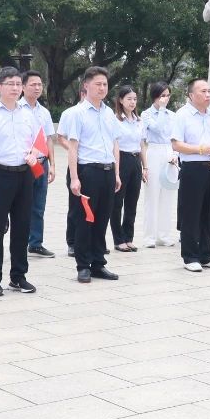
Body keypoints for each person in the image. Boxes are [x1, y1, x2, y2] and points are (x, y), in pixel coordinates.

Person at [0, 67, 43, 295]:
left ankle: (18, 276)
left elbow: (37, 143)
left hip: (24, 174)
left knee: (22, 227)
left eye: (18, 84)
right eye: (10, 84)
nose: (15, 88)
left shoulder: (28, 114)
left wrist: (34, 154)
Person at [64, 67, 122, 283]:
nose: (102, 88)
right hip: (88, 171)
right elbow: (72, 147)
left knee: (102, 219)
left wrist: (117, 173)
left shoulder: (109, 113)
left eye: (105, 84)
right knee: (84, 220)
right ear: (86, 85)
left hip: (108, 171)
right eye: (98, 84)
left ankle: (98, 263)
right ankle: (83, 265)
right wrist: (74, 178)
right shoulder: (76, 113)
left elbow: (115, 144)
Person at [170, 78, 210, 273]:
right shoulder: (182, 115)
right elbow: (176, 144)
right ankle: (190, 256)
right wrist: (200, 149)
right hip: (193, 169)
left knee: (209, 214)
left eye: (209, 91)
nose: (208, 95)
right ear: (191, 95)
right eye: (203, 91)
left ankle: (207, 255)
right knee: (191, 213)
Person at [21, 71, 57, 259]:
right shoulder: (17, 109)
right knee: (21, 206)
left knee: (38, 206)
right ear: (23, 87)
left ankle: (35, 243)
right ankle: (19, 243)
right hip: (24, 165)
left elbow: (48, 139)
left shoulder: (44, 112)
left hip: (41, 164)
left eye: (39, 84)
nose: (37, 88)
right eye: (33, 84)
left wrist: (52, 165)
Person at [140, 82, 178, 248]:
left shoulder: (173, 115)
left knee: (167, 196)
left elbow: (176, 136)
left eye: (168, 95)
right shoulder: (146, 114)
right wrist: (161, 110)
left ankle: (164, 235)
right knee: (152, 195)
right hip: (154, 151)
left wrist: (175, 155)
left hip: (169, 151)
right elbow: (157, 129)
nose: (166, 99)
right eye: (162, 95)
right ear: (155, 96)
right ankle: (149, 237)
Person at [111, 85, 147, 252]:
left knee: (132, 202)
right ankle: (118, 239)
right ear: (121, 100)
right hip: (121, 159)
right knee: (117, 202)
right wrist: (117, 172)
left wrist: (145, 167)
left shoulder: (139, 121)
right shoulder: (116, 120)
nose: (132, 102)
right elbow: (115, 145)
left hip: (135, 161)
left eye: (134, 99)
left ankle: (128, 237)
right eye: (129, 99)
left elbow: (142, 144)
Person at [57, 85, 88, 258]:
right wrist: (73, 151)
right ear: (83, 93)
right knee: (76, 205)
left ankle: (91, 241)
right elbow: (61, 137)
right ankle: (72, 242)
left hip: (94, 164)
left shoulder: (104, 113)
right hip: (77, 163)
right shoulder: (69, 113)